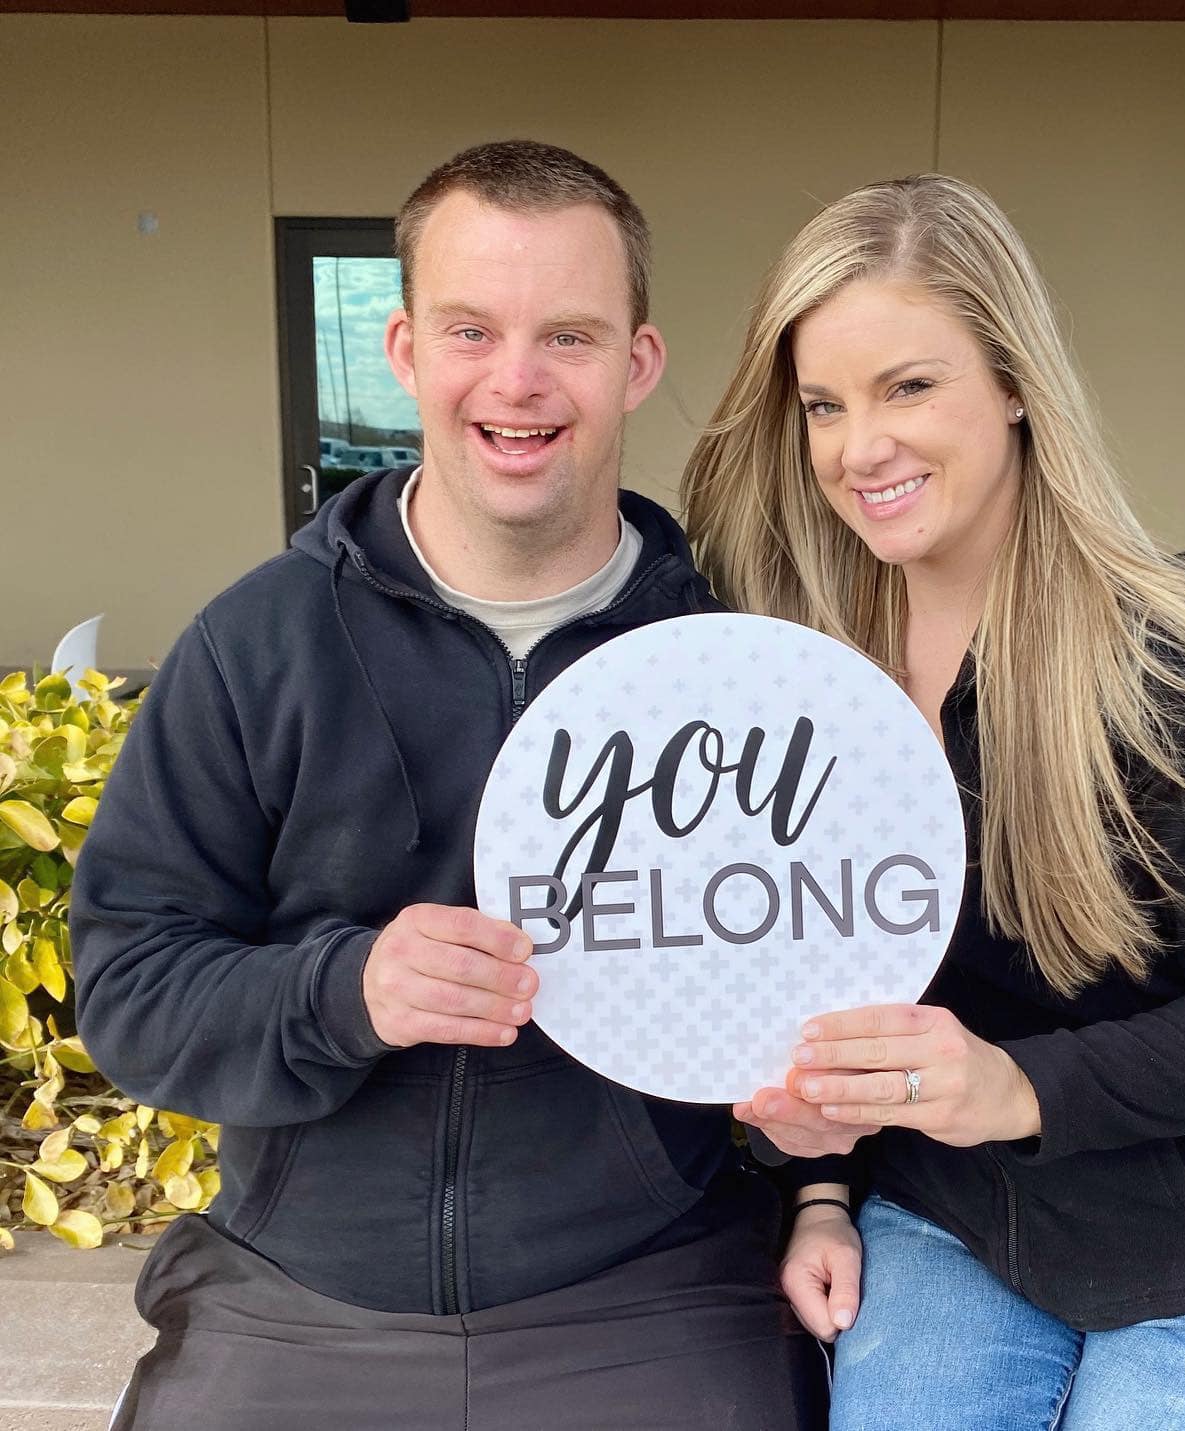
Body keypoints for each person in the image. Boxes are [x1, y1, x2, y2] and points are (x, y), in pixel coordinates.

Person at [72, 139, 824, 1431]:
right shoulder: (260, 643)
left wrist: (822, 1173)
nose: (518, 381)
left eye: (570, 335)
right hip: (297, 1283)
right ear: (407, 351)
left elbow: (852, 966)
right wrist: (345, 986)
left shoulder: (732, 657)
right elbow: (130, 987)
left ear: (638, 362)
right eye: (472, 328)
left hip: (647, 1285)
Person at [681, 174, 1185, 1430]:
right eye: (824, 405)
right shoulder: (792, 675)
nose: (856, 448)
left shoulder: (1183, 670)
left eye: (908, 386)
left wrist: (1016, 1088)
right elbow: (803, 994)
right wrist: (817, 1186)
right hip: (949, 1219)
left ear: (1017, 383)